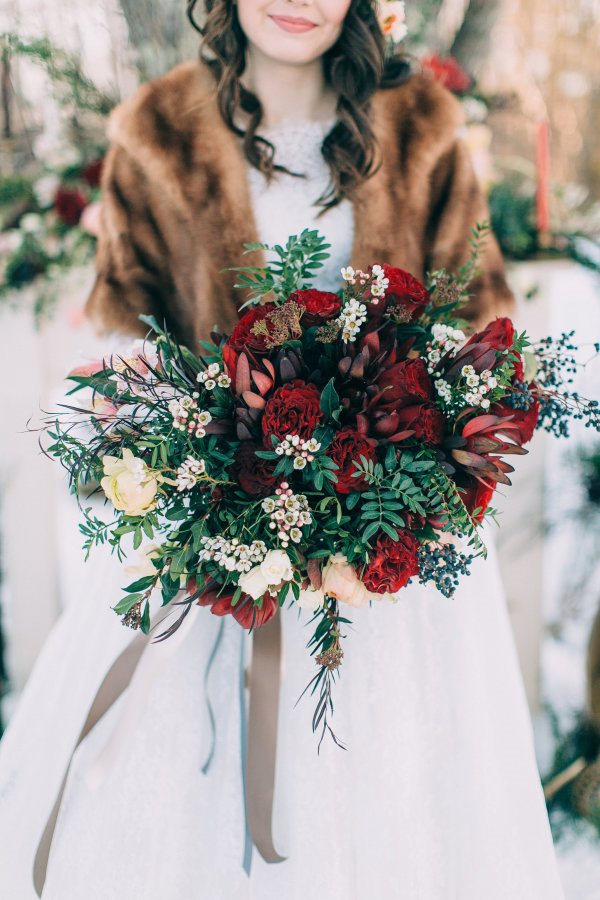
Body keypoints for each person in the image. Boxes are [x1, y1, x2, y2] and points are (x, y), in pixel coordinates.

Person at [0, 1, 565, 898]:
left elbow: (476, 335)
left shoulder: (425, 125)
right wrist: (214, 466)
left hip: (394, 565)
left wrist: (401, 469)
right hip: (208, 551)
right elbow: (119, 348)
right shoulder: (153, 132)